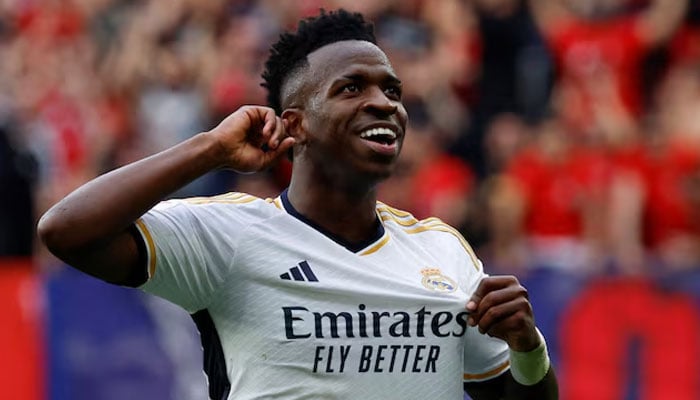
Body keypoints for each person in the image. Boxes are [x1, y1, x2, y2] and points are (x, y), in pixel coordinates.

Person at [38, 9, 557, 400]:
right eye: (351, 87)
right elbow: (66, 230)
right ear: (294, 125)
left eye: (392, 90)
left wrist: (526, 347)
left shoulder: (443, 251)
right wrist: (209, 148)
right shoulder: (229, 236)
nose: (384, 103)